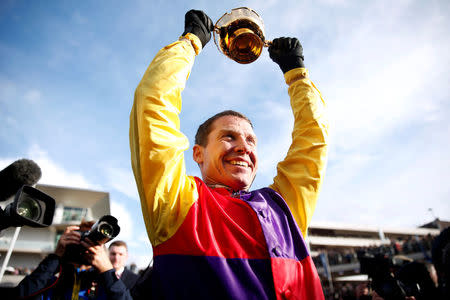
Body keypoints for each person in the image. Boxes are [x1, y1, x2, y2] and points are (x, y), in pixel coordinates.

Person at [130, 9, 329, 300]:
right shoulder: (176, 202)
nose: (244, 147)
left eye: (251, 140)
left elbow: (314, 140)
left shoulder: (285, 205)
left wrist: (297, 75)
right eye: (228, 137)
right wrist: (189, 44)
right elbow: (153, 106)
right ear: (197, 153)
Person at [12, 222, 128, 300]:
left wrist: (107, 271)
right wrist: (56, 257)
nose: (86, 245)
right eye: (81, 237)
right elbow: (21, 295)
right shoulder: (51, 281)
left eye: (93, 241)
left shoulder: (106, 286)